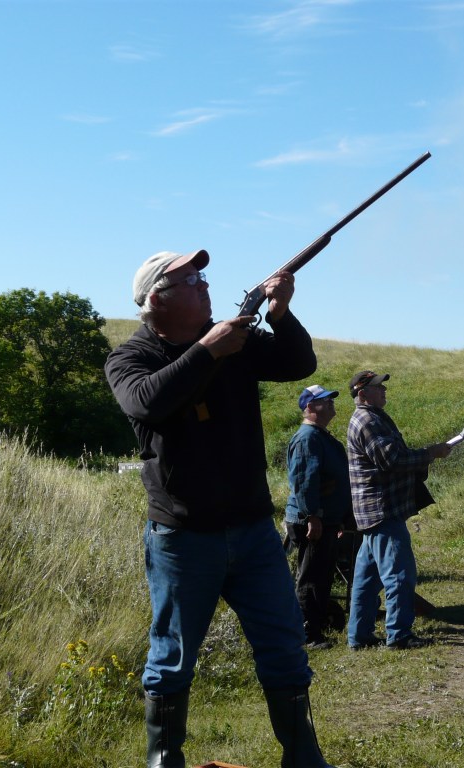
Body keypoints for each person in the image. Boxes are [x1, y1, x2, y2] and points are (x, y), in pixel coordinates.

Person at [104, 249, 334, 768]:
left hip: (252, 528)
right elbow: (148, 403)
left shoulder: (236, 340)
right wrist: (208, 351)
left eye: (203, 276)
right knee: (172, 659)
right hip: (183, 538)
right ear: (156, 299)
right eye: (190, 279)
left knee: (284, 648)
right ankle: (165, 760)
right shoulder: (129, 358)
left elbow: (298, 364)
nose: (205, 285)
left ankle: (303, 757)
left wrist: (280, 313)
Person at [345, 370, 451, 650]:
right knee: (400, 576)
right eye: (378, 388)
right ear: (363, 394)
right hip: (382, 510)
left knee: (366, 582)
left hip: (375, 511)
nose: (384, 391)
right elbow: (391, 459)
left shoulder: (370, 417)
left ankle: (360, 637)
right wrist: (431, 453)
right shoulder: (367, 419)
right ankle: (399, 636)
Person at [284, 384, 353, 650]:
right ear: (310, 408)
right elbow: (304, 481)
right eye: (325, 401)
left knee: (321, 574)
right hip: (312, 521)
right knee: (311, 576)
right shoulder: (307, 438)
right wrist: (312, 516)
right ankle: (307, 634)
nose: (332, 404)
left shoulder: (319, 436)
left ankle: (318, 624)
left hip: (326, 519)